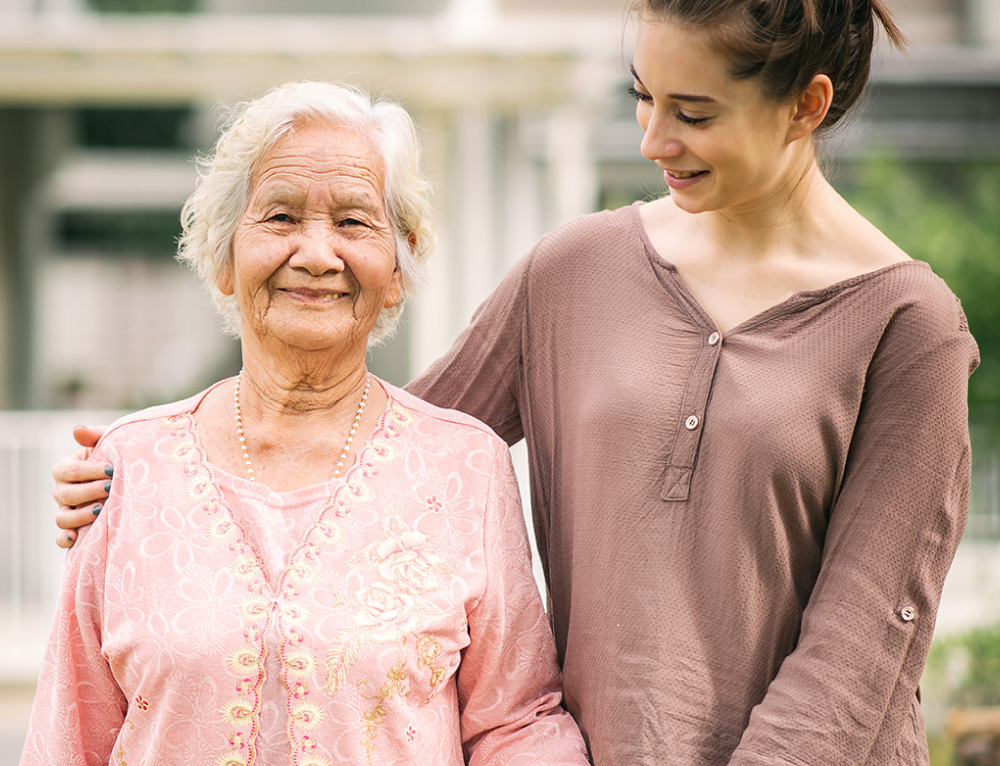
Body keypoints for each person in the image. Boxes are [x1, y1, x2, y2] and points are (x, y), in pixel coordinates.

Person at [50, 1, 980, 764]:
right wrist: (156, 481)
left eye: (692, 112)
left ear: (806, 106)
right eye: (643, 97)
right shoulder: (575, 270)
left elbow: (862, 647)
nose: (654, 139)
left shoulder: (908, 329)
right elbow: (389, 458)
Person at [24, 80, 589, 766]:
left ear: (397, 265)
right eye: (282, 218)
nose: (318, 254)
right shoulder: (127, 467)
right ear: (225, 253)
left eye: (353, 222)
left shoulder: (465, 465)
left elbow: (515, 721)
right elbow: (70, 731)